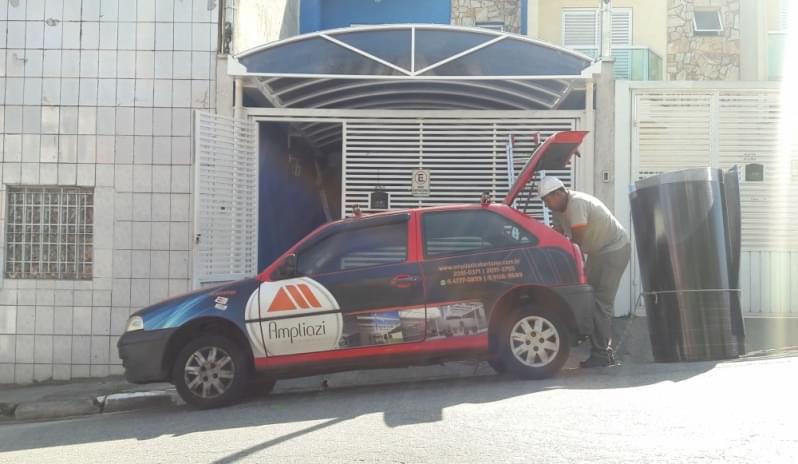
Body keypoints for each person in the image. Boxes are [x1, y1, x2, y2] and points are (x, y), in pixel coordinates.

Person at [537, 176, 631, 368]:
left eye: (548, 200)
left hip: (613, 250)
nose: (547, 205)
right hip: (598, 252)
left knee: (600, 302)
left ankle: (603, 354)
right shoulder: (558, 209)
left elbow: (576, 244)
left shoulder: (577, 204)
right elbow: (557, 237)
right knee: (589, 298)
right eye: (544, 201)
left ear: (559, 193)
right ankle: (600, 349)